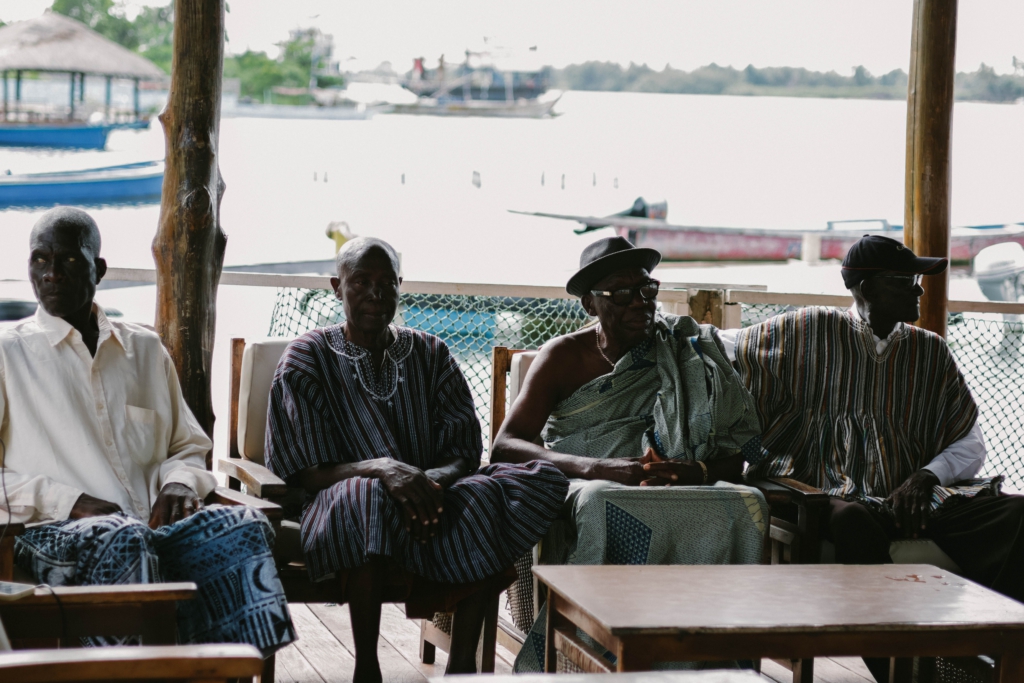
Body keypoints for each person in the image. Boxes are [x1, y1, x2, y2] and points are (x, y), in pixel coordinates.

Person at [264, 237, 568, 683]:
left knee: (492, 493)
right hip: (337, 501)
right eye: (361, 282)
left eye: (387, 283)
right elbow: (307, 471)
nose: (375, 293)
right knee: (366, 496)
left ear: (400, 286)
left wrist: (425, 483)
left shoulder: (431, 352)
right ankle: (367, 667)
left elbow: (464, 451)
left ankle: (461, 667)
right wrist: (384, 470)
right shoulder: (307, 357)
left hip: (430, 499)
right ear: (336, 286)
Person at [727, 235, 1024, 680]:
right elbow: (722, 350)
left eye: (918, 281)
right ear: (864, 288)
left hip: (912, 497)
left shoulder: (931, 351)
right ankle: (905, 669)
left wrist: (926, 476)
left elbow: (969, 443)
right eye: (906, 281)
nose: (920, 291)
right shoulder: (806, 330)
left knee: (1017, 513)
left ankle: (996, 651)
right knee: (851, 521)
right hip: (820, 490)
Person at [0, 207, 295, 654]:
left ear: (98, 269)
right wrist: (71, 501)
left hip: (149, 531)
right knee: (124, 538)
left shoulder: (144, 348)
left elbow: (188, 445)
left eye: (70, 261)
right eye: (40, 260)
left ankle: (228, 670)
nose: (52, 273)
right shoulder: (8, 355)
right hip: (48, 536)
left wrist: (178, 482)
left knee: (242, 526)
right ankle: (135, 672)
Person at [490, 236, 770, 672]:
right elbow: (505, 447)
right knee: (601, 499)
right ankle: (587, 653)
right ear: (589, 304)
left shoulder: (686, 351)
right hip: (589, 480)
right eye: (622, 294)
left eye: (647, 290)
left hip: (677, 485)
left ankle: (709, 658)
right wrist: (596, 467)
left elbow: (735, 459)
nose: (641, 303)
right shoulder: (564, 356)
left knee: (749, 503)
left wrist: (693, 468)